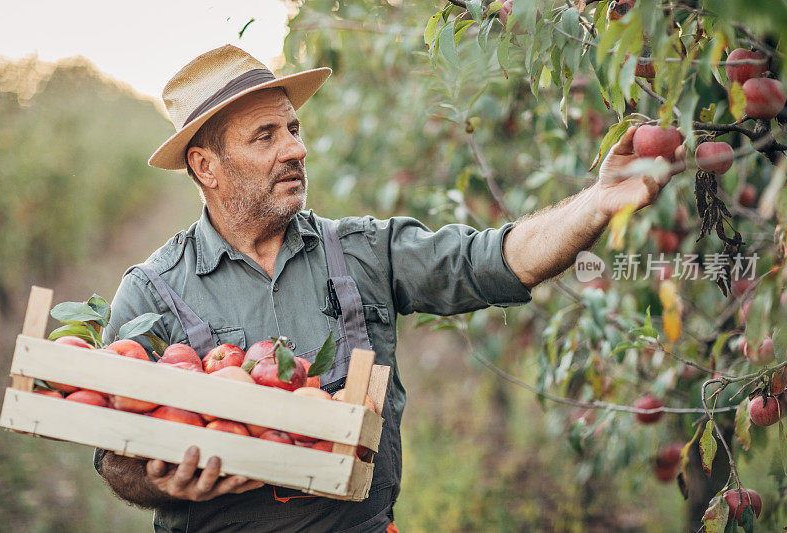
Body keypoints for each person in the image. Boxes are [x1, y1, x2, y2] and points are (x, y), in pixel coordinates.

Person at [94, 44, 685, 532]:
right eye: (266, 136)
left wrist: (597, 203)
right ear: (205, 166)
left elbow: (494, 260)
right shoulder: (152, 295)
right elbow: (112, 456)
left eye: (294, 129)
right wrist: (157, 480)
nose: (295, 149)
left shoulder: (361, 252)